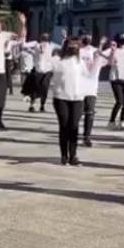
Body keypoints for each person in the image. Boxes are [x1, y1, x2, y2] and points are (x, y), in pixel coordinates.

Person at [51, 37, 98, 166]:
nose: (74, 48)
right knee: (64, 126)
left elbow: (89, 76)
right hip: (61, 98)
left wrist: (97, 61)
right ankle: (63, 155)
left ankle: (73, 156)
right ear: (66, 47)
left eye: (76, 46)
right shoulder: (57, 60)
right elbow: (45, 66)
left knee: (74, 126)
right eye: (71, 45)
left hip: (77, 98)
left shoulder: (80, 62)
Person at [79, 34, 112, 147]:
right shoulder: (77, 51)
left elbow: (110, 61)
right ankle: (72, 134)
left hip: (91, 89)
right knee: (77, 114)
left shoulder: (96, 52)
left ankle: (87, 137)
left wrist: (106, 48)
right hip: (78, 88)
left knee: (90, 113)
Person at [21, 33, 60, 113]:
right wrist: (23, 36)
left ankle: (42, 106)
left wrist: (64, 39)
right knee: (34, 89)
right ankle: (32, 105)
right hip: (38, 70)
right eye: (43, 38)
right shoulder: (36, 44)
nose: (44, 40)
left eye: (46, 38)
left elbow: (62, 47)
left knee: (44, 89)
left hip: (47, 71)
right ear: (40, 38)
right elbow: (24, 45)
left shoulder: (51, 45)